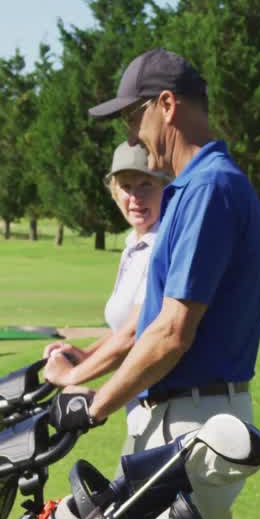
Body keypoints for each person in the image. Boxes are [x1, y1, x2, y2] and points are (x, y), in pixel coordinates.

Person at [49, 48, 260, 519]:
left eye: (134, 118)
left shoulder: (209, 190)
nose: (131, 136)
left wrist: (96, 406)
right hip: (178, 419)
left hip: (192, 423)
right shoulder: (193, 192)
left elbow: (173, 334)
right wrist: (78, 374)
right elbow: (139, 327)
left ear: (167, 105)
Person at [42, 142, 169, 455]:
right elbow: (121, 329)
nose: (135, 197)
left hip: (169, 408)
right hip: (144, 404)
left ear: (166, 187)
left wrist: (72, 375)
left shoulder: (161, 245)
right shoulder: (134, 244)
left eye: (146, 185)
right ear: (114, 192)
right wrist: (86, 354)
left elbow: (135, 333)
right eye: (125, 186)